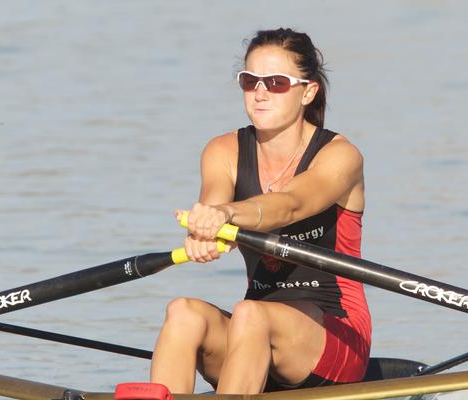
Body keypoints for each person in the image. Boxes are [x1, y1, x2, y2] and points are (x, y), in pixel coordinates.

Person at [150, 27, 371, 394]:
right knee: (183, 312)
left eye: (277, 82)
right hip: (252, 334)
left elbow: (290, 205)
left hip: (336, 331)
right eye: (250, 81)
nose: (260, 93)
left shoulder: (340, 156)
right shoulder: (223, 151)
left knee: (250, 314)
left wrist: (226, 215)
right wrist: (205, 234)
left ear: (308, 91)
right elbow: (216, 209)